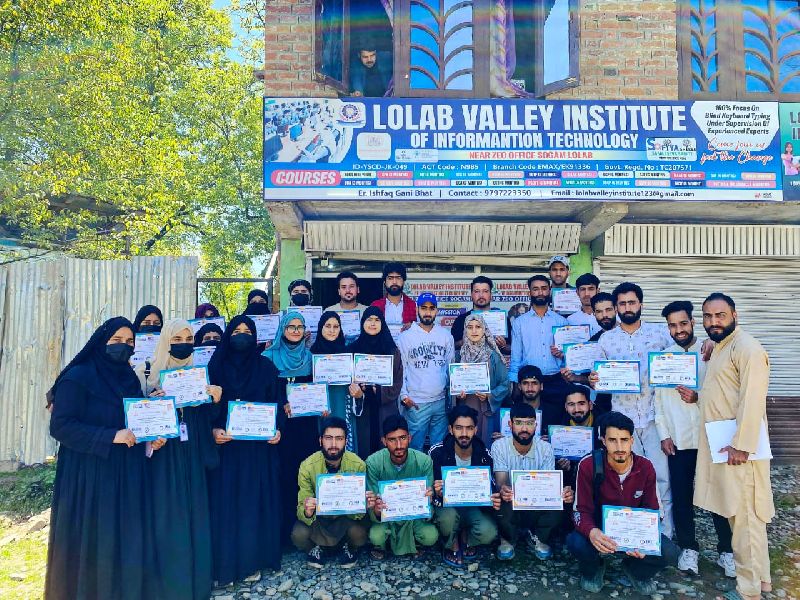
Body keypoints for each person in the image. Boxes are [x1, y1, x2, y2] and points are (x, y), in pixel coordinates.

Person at [45, 317, 158, 600]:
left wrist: (152, 432)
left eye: (129, 342)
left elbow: (134, 422)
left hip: (126, 473)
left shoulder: (129, 378)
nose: (124, 346)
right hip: (89, 476)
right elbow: (61, 426)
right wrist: (110, 436)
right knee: (94, 539)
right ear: (101, 341)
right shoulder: (77, 377)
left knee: (122, 538)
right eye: (116, 340)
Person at [134, 319, 222, 599]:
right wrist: (154, 402)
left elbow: (206, 418)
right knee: (166, 513)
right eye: (177, 339)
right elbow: (133, 417)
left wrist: (215, 398)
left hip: (192, 453)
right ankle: (167, 584)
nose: (183, 344)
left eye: (188, 339)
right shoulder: (146, 373)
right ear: (166, 341)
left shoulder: (199, 373)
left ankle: (197, 582)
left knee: (195, 512)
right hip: (162, 454)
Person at [694, 293, 774, 600]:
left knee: (746, 520)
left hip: (740, 451)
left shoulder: (748, 349)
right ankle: (761, 581)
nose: (713, 322)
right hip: (724, 446)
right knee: (741, 517)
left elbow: (752, 400)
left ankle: (749, 591)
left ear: (734, 315)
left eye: (720, 315)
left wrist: (742, 446)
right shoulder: (722, 346)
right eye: (708, 316)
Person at [589, 282, 675, 538]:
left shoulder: (661, 334)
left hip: (654, 418)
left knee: (661, 478)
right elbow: (598, 378)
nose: (627, 308)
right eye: (622, 304)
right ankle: (634, 535)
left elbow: (684, 353)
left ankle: (664, 535)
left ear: (641, 304)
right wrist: (594, 380)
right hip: (622, 423)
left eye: (632, 302)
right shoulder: (606, 339)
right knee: (629, 480)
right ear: (616, 307)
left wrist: (706, 346)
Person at [656, 301, 735, 577]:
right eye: (672, 325)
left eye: (683, 323)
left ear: (692, 322)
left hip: (710, 437)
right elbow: (658, 401)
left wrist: (698, 398)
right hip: (678, 440)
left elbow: (726, 394)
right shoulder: (663, 358)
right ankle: (689, 548)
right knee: (681, 496)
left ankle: (727, 551)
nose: (679, 329)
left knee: (717, 495)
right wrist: (664, 435)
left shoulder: (712, 351)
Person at [207, 315, 283, 585]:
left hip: (256, 452)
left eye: (247, 332)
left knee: (252, 505)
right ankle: (225, 565)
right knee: (226, 506)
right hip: (226, 451)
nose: (242, 336)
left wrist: (278, 430)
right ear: (228, 336)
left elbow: (278, 403)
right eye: (236, 331)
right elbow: (203, 408)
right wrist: (212, 430)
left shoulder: (266, 368)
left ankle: (252, 562)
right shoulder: (215, 367)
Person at [567, 411, 679, 594]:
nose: (619, 447)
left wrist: (643, 541)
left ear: (632, 440)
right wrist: (592, 531)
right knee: (575, 542)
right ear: (603, 441)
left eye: (624, 440)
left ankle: (635, 570)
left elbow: (653, 510)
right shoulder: (588, 465)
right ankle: (594, 569)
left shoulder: (645, 467)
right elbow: (580, 510)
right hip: (599, 527)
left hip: (633, 530)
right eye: (612, 440)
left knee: (670, 552)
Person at [491, 403, 573, 561]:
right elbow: (501, 482)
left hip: (536, 502)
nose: (524, 428)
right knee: (499, 496)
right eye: (519, 423)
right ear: (510, 424)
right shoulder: (499, 446)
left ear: (536, 425)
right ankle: (507, 538)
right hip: (512, 501)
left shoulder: (545, 448)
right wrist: (504, 490)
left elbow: (548, 485)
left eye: (529, 423)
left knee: (561, 500)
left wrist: (559, 493)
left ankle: (537, 537)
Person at [292, 416, 375, 569]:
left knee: (360, 535)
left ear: (346, 441)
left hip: (345, 519)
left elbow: (358, 515)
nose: (334, 444)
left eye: (339, 438)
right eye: (328, 438)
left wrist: (363, 505)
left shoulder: (358, 465)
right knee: (298, 535)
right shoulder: (307, 466)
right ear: (320, 440)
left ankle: (349, 548)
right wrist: (307, 511)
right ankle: (314, 549)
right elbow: (301, 507)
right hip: (319, 520)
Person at [263, 312, 318, 541]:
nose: (295, 331)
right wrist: (280, 404)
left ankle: (306, 528)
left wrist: (321, 404)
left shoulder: (310, 358)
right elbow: (263, 391)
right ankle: (283, 531)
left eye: (299, 327)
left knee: (304, 474)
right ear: (283, 330)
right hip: (280, 428)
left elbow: (318, 390)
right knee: (282, 475)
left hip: (305, 426)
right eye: (290, 327)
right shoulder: (268, 357)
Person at [429, 405, 501, 567]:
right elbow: (428, 493)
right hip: (447, 507)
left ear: (475, 430)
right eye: (459, 428)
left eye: (469, 428)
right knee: (447, 519)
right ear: (450, 429)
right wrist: (436, 493)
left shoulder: (484, 454)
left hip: (472, 507)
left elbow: (491, 488)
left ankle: (466, 537)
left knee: (488, 532)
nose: (464, 433)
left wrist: (493, 498)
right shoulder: (437, 453)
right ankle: (451, 543)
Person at [366, 415, 438, 559]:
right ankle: (385, 544)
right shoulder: (373, 462)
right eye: (392, 440)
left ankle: (411, 541)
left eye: (403, 438)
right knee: (376, 536)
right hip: (387, 517)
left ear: (410, 438)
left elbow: (429, 503)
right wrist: (376, 509)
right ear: (384, 441)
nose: (399, 445)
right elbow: (372, 500)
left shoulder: (424, 461)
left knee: (430, 536)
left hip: (414, 517)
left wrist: (429, 499)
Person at [509, 275, 569, 431]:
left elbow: (568, 358)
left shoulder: (561, 322)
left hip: (555, 381)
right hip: (529, 383)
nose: (540, 292)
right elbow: (516, 356)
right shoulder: (519, 322)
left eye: (544, 288)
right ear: (529, 292)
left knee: (554, 425)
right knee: (528, 426)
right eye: (535, 289)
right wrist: (515, 384)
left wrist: (563, 354)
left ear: (550, 291)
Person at [398, 293, 455, 451]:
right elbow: (401, 370)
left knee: (439, 447)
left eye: (431, 308)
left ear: (436, 311)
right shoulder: (405, 337)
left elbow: (450, 368)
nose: (427, 312)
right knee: (415, 448)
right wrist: (404, 396)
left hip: (440, 401)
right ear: (417, 309)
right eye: (424, 308)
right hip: (416, 402)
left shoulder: (445, 336)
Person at [346, 306, 403, 458]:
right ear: (362, 323)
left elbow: (397, 381)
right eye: (369, 320)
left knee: (385, 451)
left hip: (385, 410)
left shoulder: (392, 350)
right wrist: (358, 389)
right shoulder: (352, 350)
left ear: (382, 323)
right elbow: (346, 380)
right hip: (360, 410)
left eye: (377, 320)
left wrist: (379, 390)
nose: (373, 323)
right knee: (362, 449)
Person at [453, 313, 510, 446]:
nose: (474, 331)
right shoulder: (458, 356)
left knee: (484, 444)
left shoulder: (493, 356)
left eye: (478, 327)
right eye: (470, 327)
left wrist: (490, 395)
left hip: (486, 410)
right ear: (465, 330)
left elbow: (505, 384)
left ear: (484, 329)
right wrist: (457, 395)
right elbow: (449, 385)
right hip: (464, 409)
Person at [310, 312, 355, 450]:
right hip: (320, 410)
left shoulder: (348, 354)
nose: (332, 330)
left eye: (336, 326)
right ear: (321, 328)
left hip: (342, 404)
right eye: (328, 326)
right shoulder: (311, 354)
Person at [450, 276, 511, 355]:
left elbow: (513, 349)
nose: (481, 295)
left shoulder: (502, 319)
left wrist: (503, 346)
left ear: (491, 295)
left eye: (485, 291)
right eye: (477, 291)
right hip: (469, 362)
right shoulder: (461, 319)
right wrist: (464, 341)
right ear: (471, 295)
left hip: (495, 362)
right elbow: (451, 347)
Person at [370, 262, 417, 332]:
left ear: (404, 281)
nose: (394, 282)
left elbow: (421, 328)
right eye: (390, 278)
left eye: (398, 278)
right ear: (384, 282)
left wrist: (413, 326)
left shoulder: (413, 305)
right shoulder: (375, 306)